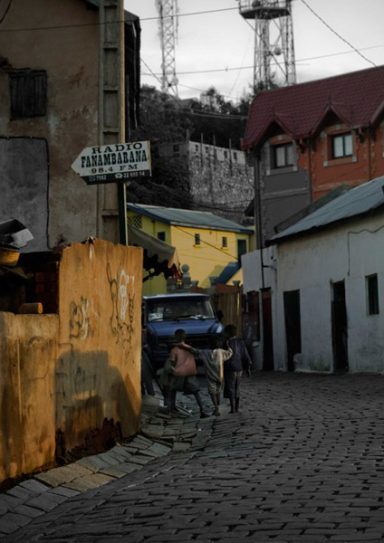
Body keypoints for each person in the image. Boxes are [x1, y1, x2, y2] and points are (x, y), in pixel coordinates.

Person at [179, 335, 232, 416]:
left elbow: (194, 350)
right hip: (220, 376)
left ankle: (216, 408)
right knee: (218, 392)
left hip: (210, 377)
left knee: (212, 393)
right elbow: (230, 353)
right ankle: (217, 407)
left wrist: (184, 345)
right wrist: (228, 345)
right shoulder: (221, 352)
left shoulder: (205, 352)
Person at [167, 329, 210, 418]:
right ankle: (202, 410)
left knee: (172, 390)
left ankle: (171, 409)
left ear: (175, 337)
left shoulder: (174, 350)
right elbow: (198, 353)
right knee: (196, 392)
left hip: (179, 374)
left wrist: (171, 371)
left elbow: (172, 363)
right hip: (190, 373)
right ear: (185, 337)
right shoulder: (190, 348)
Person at [223, 324, 252, 414]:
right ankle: (237, 407)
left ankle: (232, 408)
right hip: (239, 368)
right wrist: (248, 367)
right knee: (237, 387)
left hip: (229, 368)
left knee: (231, 387)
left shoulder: (226, 343)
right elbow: (245, 354)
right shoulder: (240, 341)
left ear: (227, 333)